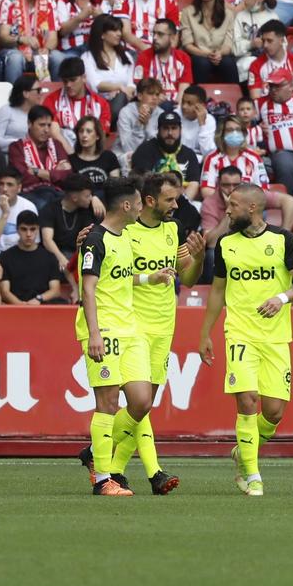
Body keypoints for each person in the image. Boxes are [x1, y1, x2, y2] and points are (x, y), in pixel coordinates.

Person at [202, 182, 293, 498]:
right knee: (247, 401)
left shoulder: (283, 240)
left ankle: (242, 452)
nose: (228, 209)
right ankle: (252, 474)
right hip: (239, 333)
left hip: (275, 337)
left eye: (233, 204)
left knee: (274, 412)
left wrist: (281, 297)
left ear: (252, 207)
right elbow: (218, 291)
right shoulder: (225, 243)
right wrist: (205, 332)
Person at [110, 171, 200, 496]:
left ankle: (114, 469)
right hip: (132, 324)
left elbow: (188, 278)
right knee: (141, 402)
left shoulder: (173, 231)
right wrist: (150, 277)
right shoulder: (126, 232)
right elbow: (115, 276)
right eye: (169, 199)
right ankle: (154, 472)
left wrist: (199, 255)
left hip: (165, 325)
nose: (176, 205)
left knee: (144, 406)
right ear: (149, 201)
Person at [77, 179, 140, 495]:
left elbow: (122, 277)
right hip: (105, 329)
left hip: (130, 329)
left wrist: (148, 278)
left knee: (141, 401)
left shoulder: (126, 238)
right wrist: (94, 334)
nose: (142, 207)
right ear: (126, 205)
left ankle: (94, 451)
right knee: (108, 403)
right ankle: (103, 479)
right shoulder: (95, 239)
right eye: (139, 202)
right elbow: (88, 288)